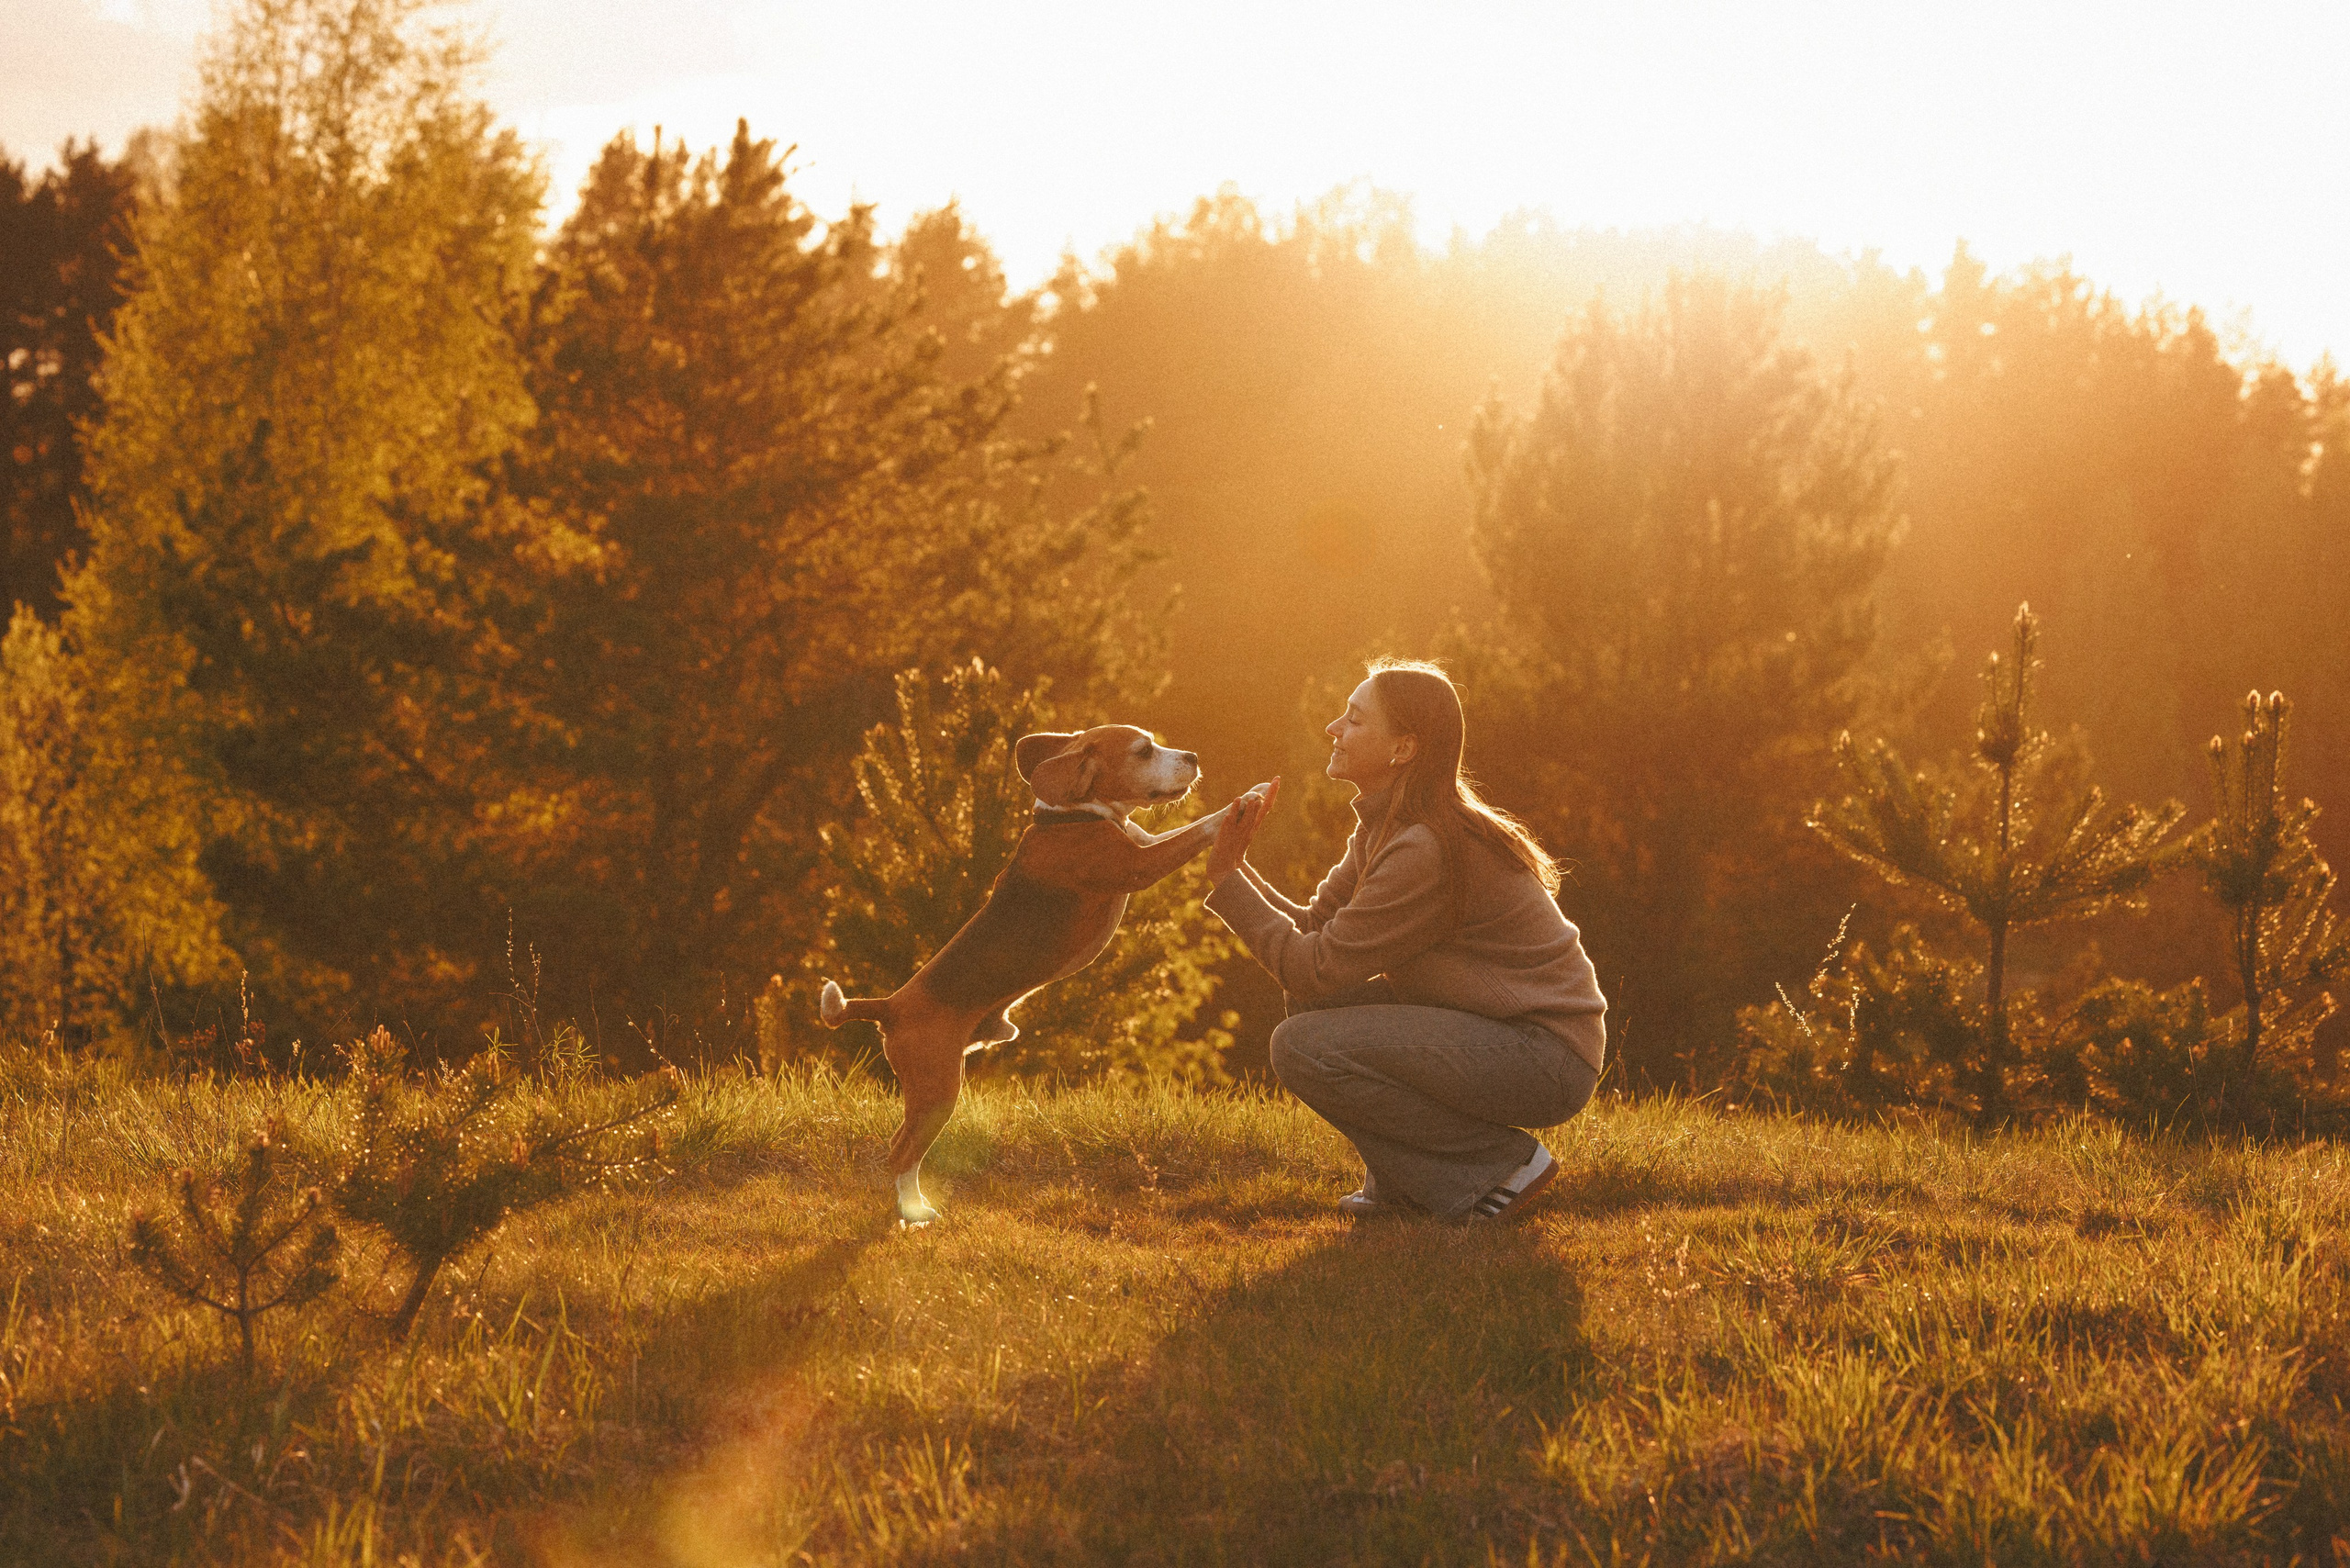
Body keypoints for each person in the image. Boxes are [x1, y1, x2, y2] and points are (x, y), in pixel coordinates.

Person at [1203, 657, 1606, 1222]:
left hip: (1542, 1055)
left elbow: (1310, 965)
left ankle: (1502, 1164)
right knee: (1314, 1009)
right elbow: (1317, 934)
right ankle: (1406, 1182)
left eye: (1355, 719)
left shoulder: (1424, 847)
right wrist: (1236, 868)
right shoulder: (1384, 828)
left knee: (1300, 1045)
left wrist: (1226, 880)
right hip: (1496, 1034)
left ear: (1403, 749)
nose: (1333, 729)